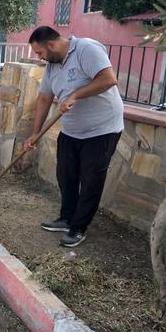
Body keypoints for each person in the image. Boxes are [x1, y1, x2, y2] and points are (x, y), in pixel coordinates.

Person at [24, 26, 124, 247]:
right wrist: (35, 133)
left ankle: (79, 228)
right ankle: (67, 218)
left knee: (90, 180)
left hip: (102, 129)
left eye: (39, 53)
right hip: (71, 130)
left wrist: (75, 94)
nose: (39, 58)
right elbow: (44, 99)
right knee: (66, 175)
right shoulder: (52, 65)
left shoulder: (86, 49)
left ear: (51, 45)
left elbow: (108, 79)